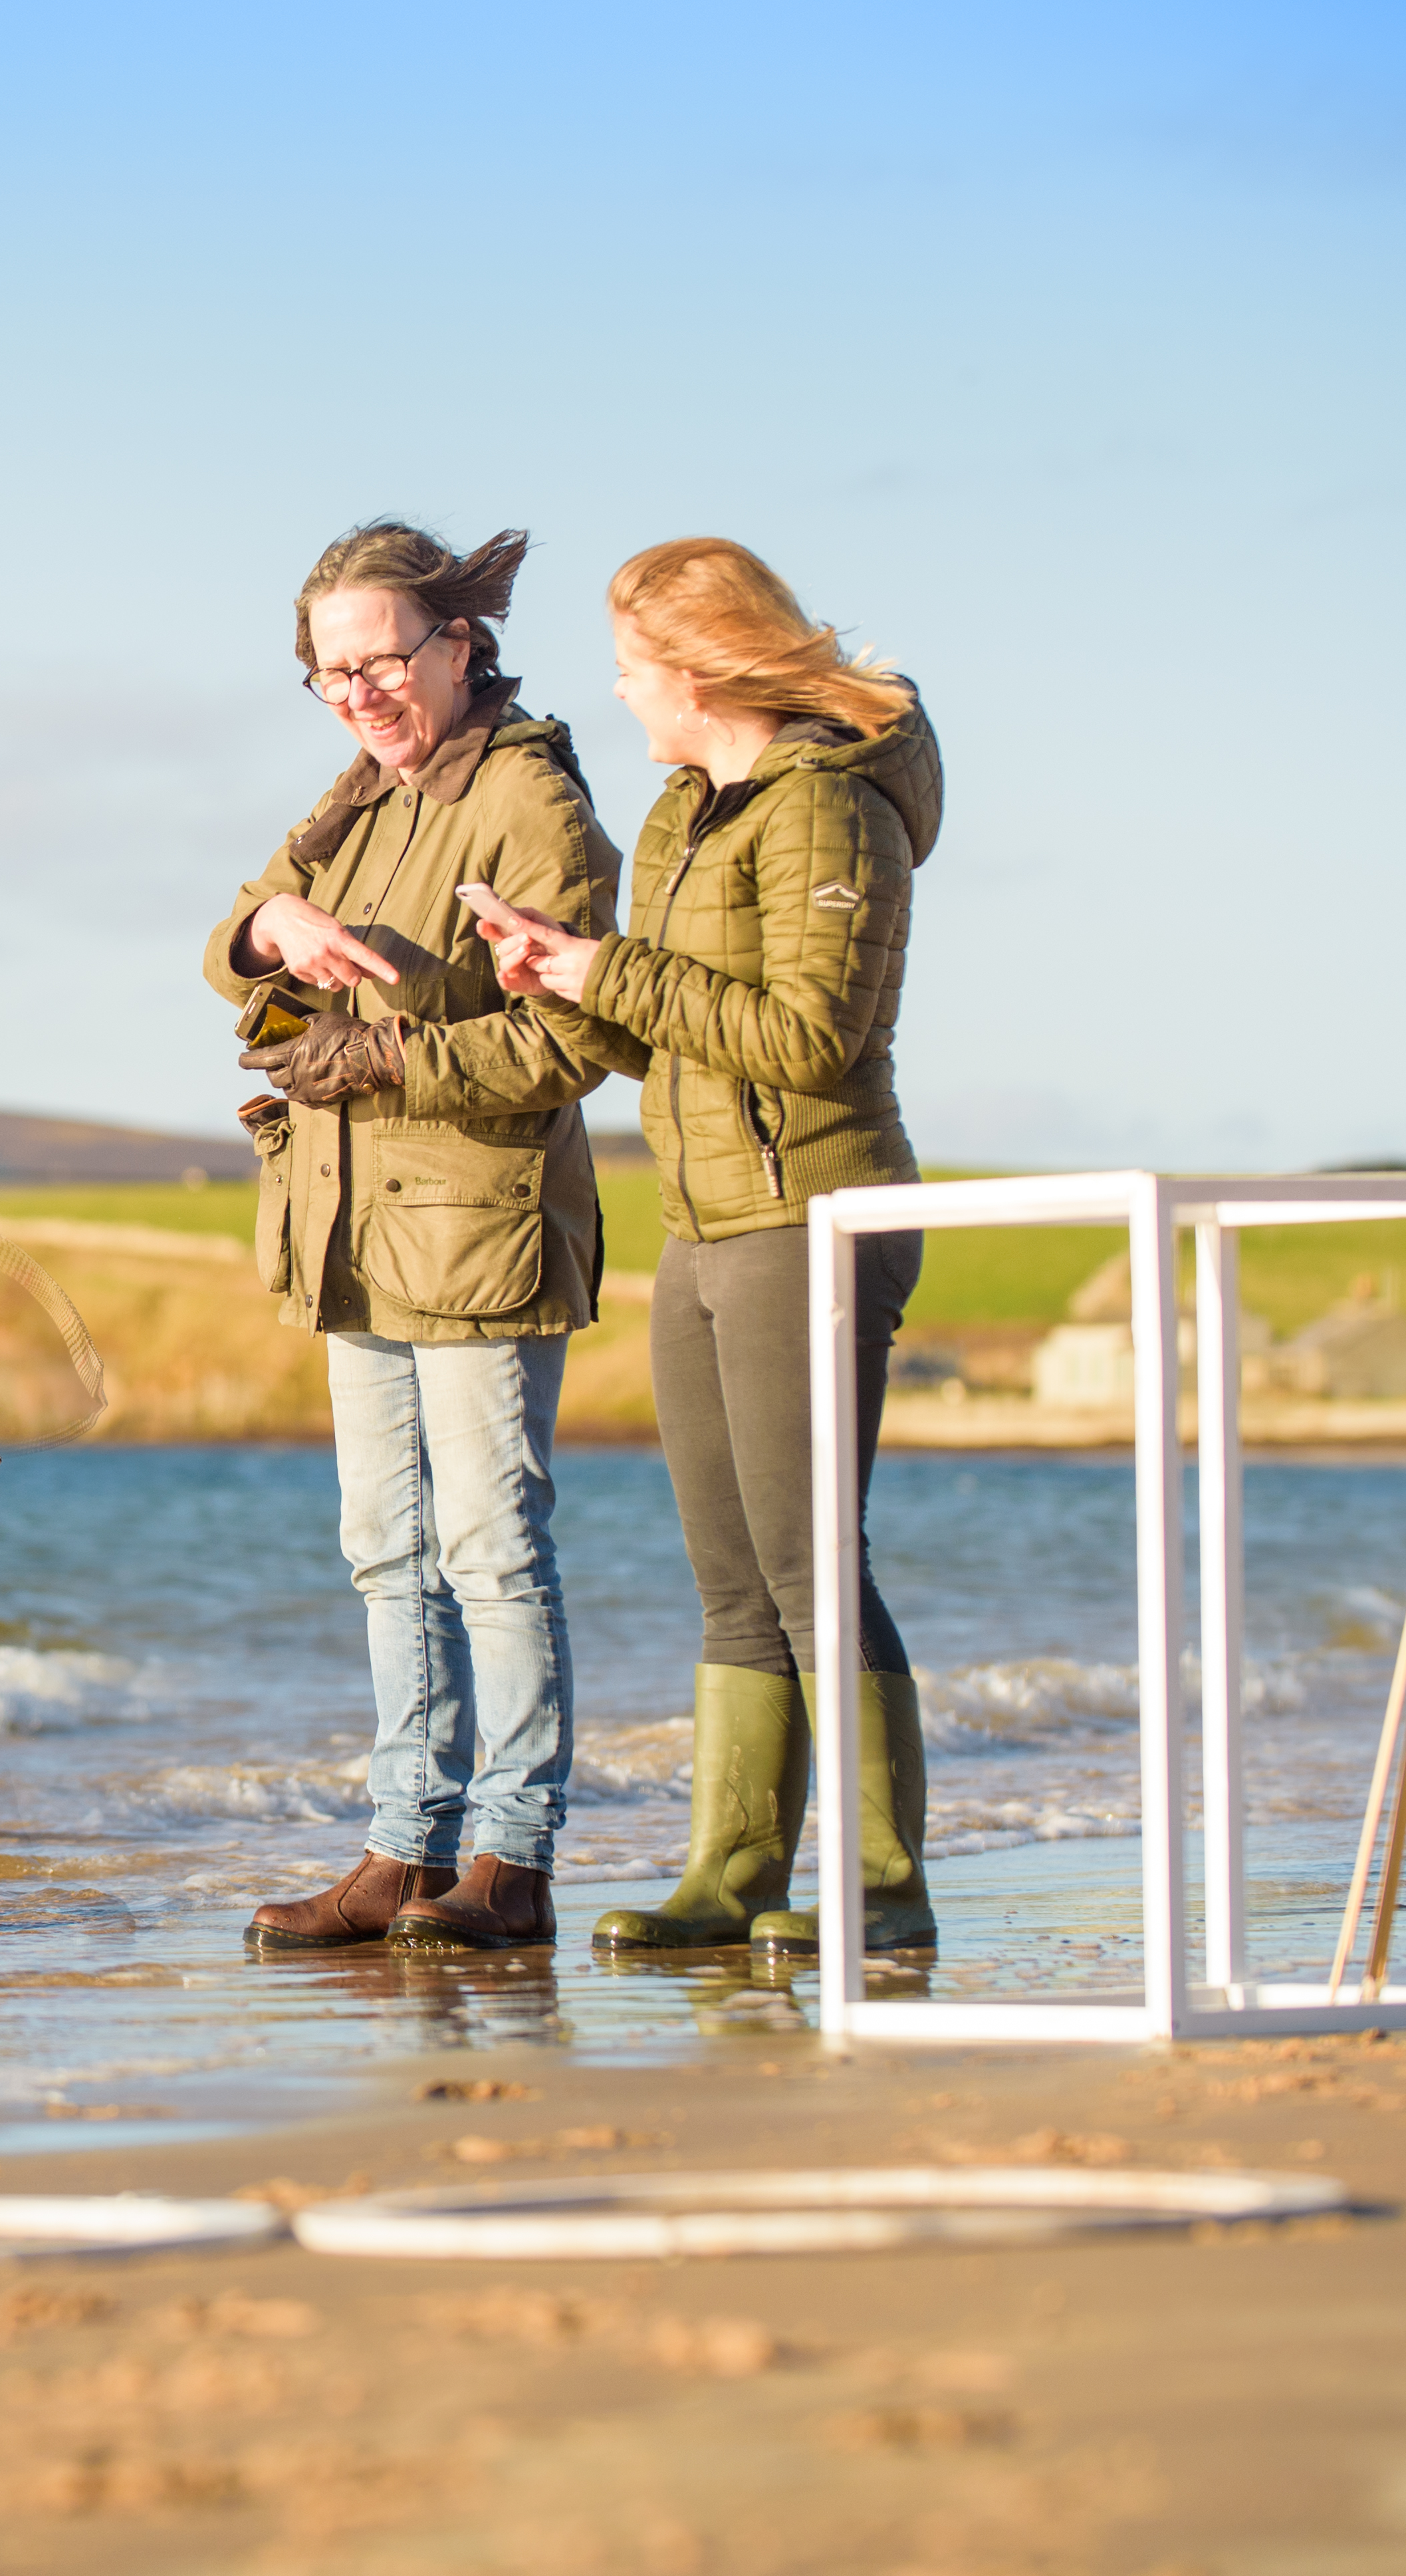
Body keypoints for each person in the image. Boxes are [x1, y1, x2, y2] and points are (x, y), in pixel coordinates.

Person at [472, 537, 943, 1955]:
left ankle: (881, 1887)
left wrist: (611, 968)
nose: (619, 691)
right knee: (734, 1578)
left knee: (810, 1562)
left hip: (815, 1212)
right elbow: (666, 1031)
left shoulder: (828, 808)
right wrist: (560, 974)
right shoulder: (684, 811)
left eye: (631, 666)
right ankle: (732, 1878)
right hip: (702, 1221)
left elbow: (809, 1040)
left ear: (697, 670)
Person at [205, 523, 624, 1956]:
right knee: (386, 1551)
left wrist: (384, 1056)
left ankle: (513, 1859)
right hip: (349, 1229)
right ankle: (404, 1849)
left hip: (478, 1230)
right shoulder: (356, 802)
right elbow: (225, 942)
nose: (362, 693)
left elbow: (570, 1042)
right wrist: (273, 927)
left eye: (383, 661)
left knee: (490, 1550)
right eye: (333, 674)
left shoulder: (530, 798)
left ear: (459, 644)